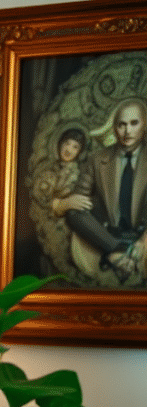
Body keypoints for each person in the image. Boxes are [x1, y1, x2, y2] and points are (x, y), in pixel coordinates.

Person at [66, 97, 147, 282]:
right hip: (107, 234)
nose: (127, 131)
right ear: (115, 129)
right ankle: (117, 253)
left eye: (134, 123)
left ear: (144, 124)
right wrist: (114, 249)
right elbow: (79, 199)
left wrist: (144, 241)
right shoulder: (97, 159)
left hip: (143, 233)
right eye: (121, 125)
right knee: (74, 211)